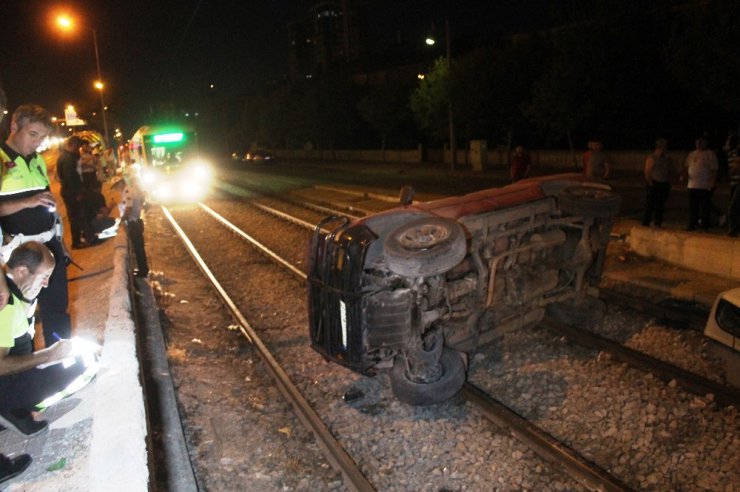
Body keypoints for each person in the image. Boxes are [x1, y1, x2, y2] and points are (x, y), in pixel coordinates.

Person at [0, 242, 93, 437]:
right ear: (21, 271)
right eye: (43, 277)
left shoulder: (17, 294)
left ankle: (15, 410)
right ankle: (14, 409)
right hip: (6, 385)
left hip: (12, 379)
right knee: (86, 363)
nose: (46, 285)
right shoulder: (6, 307)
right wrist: (48, 355)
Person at [0, 104, 73, 345]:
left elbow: (49, 203)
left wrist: (61, 243)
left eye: (42, 137)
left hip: (49, 244)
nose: (38, 142)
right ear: (14, 127)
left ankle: (60, 359)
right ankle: (26, 368)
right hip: (18, 253)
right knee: (20, 314)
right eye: (33, 134)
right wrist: (28, 201)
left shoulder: (39, 160)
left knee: (57, 305)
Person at [56, 136, 92, 248]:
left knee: (76, 217)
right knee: (77, 217)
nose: (78, 150)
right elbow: (69, 178)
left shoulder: (66, 157)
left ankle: (80, 239)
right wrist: (77, 193)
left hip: (69, 192)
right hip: (72, 194)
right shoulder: (67, 159)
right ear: (72, 145)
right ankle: (77, 242)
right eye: (77, 147)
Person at [112, 171, 149, 277]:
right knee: (138, 248)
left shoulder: (127, 191)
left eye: (116, 186)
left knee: (138, 248)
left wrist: (122, 219)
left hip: (134, 223)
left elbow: (128, 208)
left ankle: (143, 271)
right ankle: (142, 269)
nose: (116, 189)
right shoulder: (126, 191)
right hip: (134, 222)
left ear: (120, 183)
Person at [684, 136, 718, 231]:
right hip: (692, 185)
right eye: (697, 142)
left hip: (704, 185)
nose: (699, 143)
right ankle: (692, 224)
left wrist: (712, 182)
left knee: (704, 207)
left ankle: (705, 225)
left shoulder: (710, 154)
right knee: (693, 206)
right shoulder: (691, 154)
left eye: (701, 142)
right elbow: (687, 166)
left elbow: (714, 170)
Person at [642, 138, 672, 227]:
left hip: (663, 183)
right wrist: (650, 183)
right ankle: (646, 222)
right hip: (654, 183)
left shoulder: (665, 158)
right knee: (650, 204)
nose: (666, 149)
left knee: (660, 205)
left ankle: (658, 222)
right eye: (664, 147)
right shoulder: (652, 158)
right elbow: (647, 171)